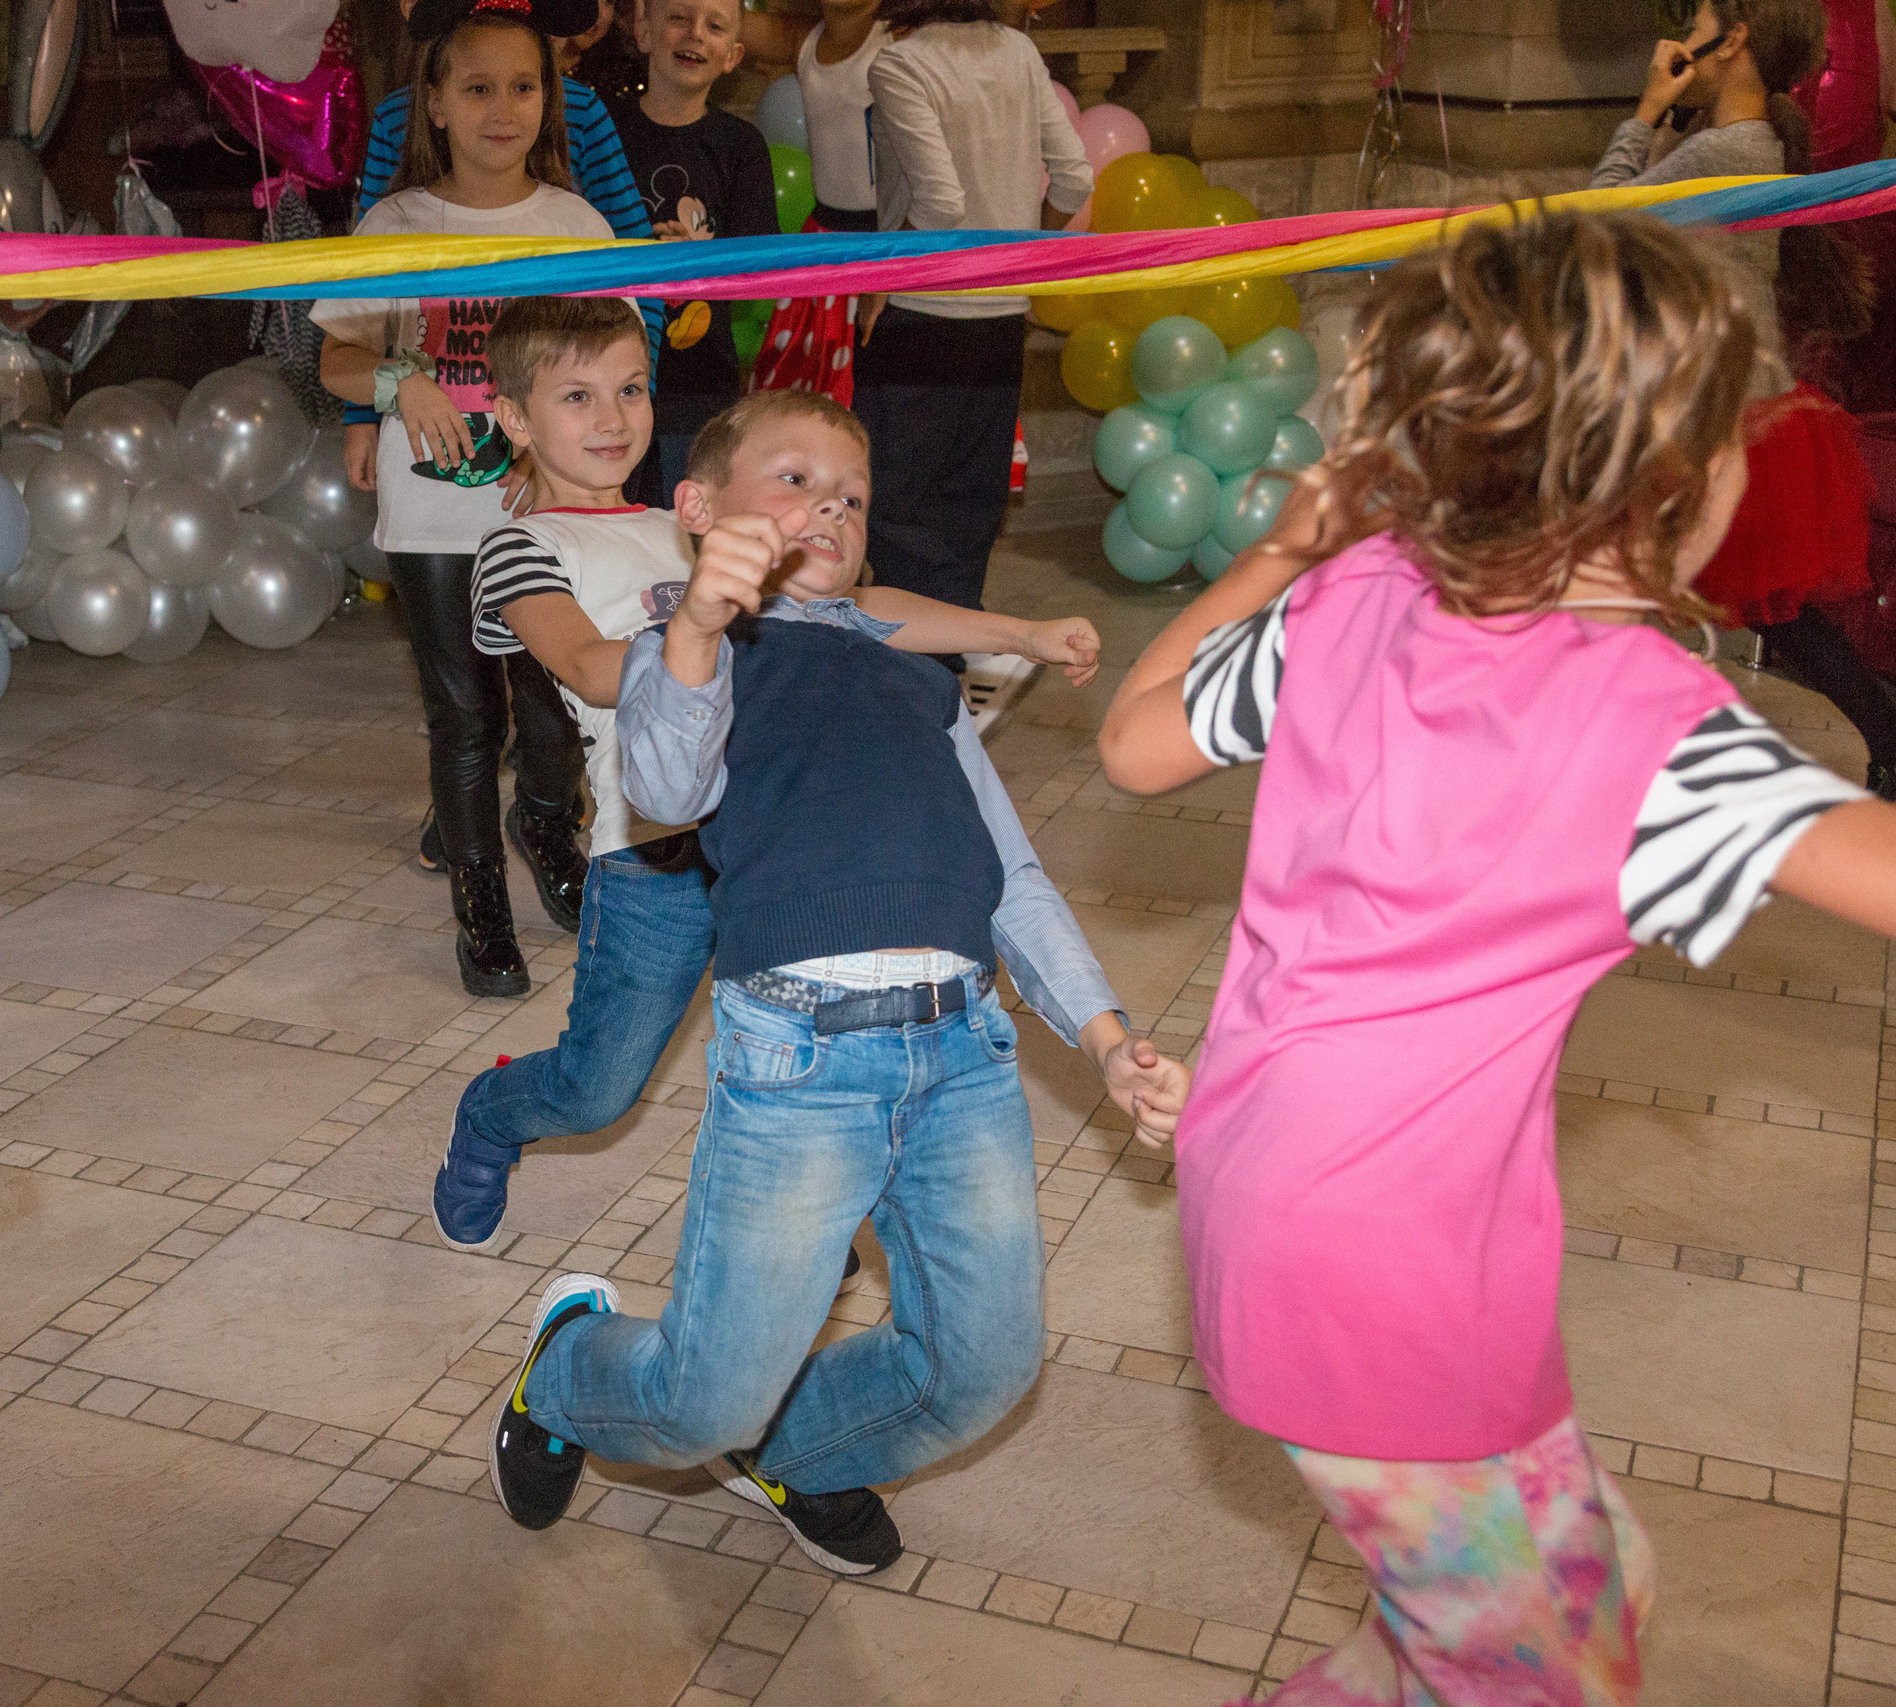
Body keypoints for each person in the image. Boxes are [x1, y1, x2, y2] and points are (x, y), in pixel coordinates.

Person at [1096, 208, 1896, 1702]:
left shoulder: (1354, 590)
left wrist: (1285, 548)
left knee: (1587, 1590)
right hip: (1380, 1280)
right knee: (1540, 1669)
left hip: (1294, 1205)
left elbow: (1134, 744)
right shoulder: (1652, 727)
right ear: (1671, 477)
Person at [485, 383, 1188, 1574]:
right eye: (796, 481)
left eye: (853, 497)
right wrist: (698, 628)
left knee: (980, 1368)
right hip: (797, 1063)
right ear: (699, 510)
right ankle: (564, 1370)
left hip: (964, 1054)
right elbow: (664, 786)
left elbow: (1011, 878)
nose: (831, 510)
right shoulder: (688, 651)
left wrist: (1107, 1038)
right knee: (700, 1404)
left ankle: (800, 1454)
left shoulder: (915, 677)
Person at [441, 298, 1103, 1249]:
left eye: (631, 389)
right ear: (513, 417)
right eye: (578, 397)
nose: (614, 418)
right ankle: (491, 1112)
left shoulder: (688, 520)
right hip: (659, 856)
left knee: (805, 1046)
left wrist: (1020, 633)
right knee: (597, 1089)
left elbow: (857, 604)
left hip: (783, 837)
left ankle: (807, 1214)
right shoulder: (524, 545)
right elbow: (588, 666)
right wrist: (701, 623)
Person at [313, 0, 612, 998]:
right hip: (434, 515)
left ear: (549, 100)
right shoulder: (395, 225)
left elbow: (611, 364)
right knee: (463, 715)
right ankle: (479, 896)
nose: (502, 108)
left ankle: (546, 825)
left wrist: (566, 455)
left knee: (556, 705)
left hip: (546, 511)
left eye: (522, 87)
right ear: (433, 103)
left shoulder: (575, 226)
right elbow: (338, 355)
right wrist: (398, 382)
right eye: (477, 88)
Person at [1594, 0, 1896, 804]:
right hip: (1730, 401)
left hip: (1704, 411)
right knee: (1758, 602)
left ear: (1735, 41)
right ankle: (1895, 742)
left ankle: (1616, 762)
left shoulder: (1722, 151)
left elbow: (1599, 215)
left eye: (1696, 25)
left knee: (1616, 568)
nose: (1681, 40)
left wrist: (1645, 111)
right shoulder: (1744, 144)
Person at [851, 0, 1090, 649]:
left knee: (895, 509)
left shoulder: (901, 63)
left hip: (921, 316)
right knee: (971, 504)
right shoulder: (1018, 50)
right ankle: (950, 660)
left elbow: (940, 203)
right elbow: (1074, 178)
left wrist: (881, 276)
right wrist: (1019, 251)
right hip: (1001, 319)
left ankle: (919, 669)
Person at [604, 0, 779, 497]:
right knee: (607, 514)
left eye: (714, 26)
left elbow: (758, 270)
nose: (695, 34)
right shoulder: (601, 131)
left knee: (690, 518)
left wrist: (698, 260)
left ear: (733, 56)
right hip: (602, 376)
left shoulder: (741, 145)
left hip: (699, 385)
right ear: (643, 31)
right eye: (679, 18)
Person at [748, 0, 884, 408]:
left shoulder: (901, 37)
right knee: (799, 402)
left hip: (886, 245)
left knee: (875, 397)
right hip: (823, 242)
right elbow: (724, 19)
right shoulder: (803, 38)